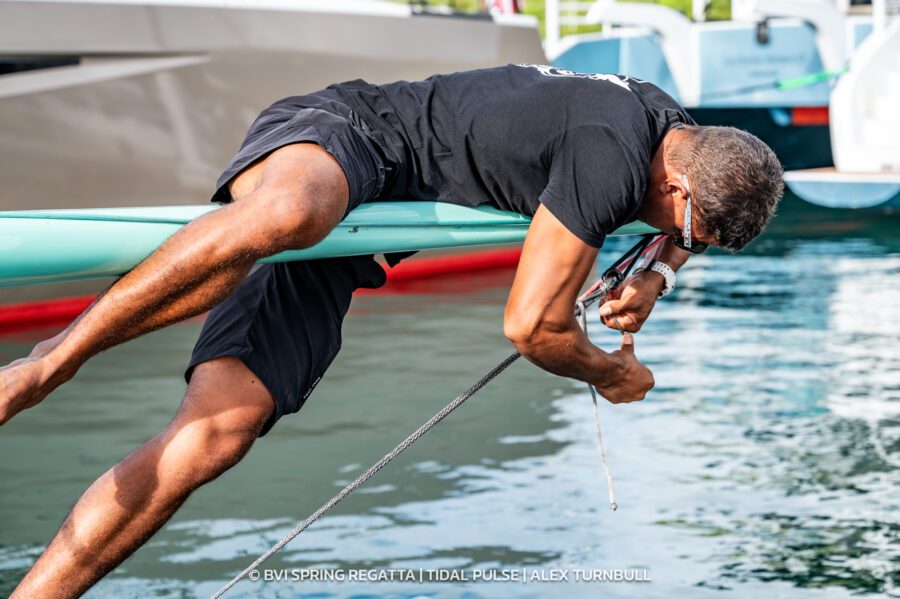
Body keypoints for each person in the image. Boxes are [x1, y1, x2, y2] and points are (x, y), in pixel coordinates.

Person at [2, 64, 783, 597]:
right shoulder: (610, 156)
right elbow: (531, 326)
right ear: (674, 183)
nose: (682, 238)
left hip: (356, 241)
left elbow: (685, 225)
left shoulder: (678, 133)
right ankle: (49, 363)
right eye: (690, 230)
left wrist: (662, 270)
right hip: (346, 132)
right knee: (288, 213)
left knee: (218, 434)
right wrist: (610, 374)